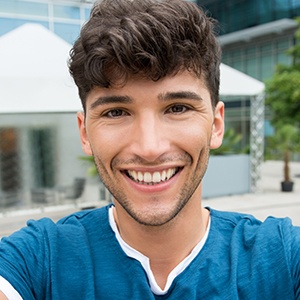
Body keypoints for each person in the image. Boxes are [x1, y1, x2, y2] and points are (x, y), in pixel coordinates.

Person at [0, 0, 299, 298]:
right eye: (116, 112)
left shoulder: (281, 257)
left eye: (178, 108)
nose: (150, 148)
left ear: (216, 124)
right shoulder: (38, 260)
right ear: (85, 132)